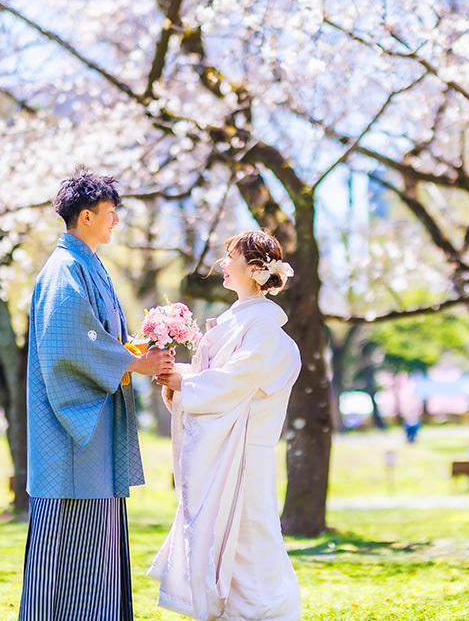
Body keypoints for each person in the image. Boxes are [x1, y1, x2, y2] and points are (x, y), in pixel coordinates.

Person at [18, 169, 175, 621]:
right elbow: (71, 341)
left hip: (92, 433)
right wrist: (133, 363)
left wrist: (136, 351)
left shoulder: (85, 263)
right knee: (69, 551)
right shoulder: (64, 270)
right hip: (71, 440)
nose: (116, 223)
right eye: (110, 214)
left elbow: (100, 338)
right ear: (86, 216)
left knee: (97, 545)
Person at [148, 230, 302, 621]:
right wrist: (176, 377)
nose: (222, 264)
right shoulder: (239, 320)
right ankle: (228, 607)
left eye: (230, 256)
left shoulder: (264, 328)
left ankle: (262, 611)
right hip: (227, 446)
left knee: (250, 533)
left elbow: (238, 380)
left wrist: (185, 383)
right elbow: (221, 377)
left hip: (248, 449)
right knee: (222, 529)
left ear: (255, 270)